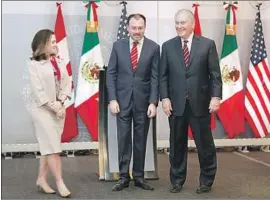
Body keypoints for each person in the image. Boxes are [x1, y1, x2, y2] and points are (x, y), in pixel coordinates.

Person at [159, 9, 222, 194]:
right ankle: (177, 180)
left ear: (192, 24)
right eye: (177, 23)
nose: (179, 26)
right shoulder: (168, 46)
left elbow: (215, 75)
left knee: (205, 145)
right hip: (175, 105)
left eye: (183, 22)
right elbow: (163, 76)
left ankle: (207, 181)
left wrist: (216, 97)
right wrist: (164, 98)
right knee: (176, 144)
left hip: (200, 103)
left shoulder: (207, 45)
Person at [106, 13, 160, 191]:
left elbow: (155, 78)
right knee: (123, 139)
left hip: (143, 103)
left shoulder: (153, 48)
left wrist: (153, 102)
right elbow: (111, 74)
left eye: (140, 28)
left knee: (140, 140)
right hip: (121, 102)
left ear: (145, 27)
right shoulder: (118, 46)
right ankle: (123, 177)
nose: (137, 31)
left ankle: (138, 176)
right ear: (128, 28)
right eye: (134, 28)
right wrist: (112, 99)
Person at [28, 29, 71, 198]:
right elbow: (38, 90)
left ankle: (41, 179)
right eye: (52, 42)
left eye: (56, 41)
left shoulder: (59, 62)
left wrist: (60, 103)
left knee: (48, 146)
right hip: (41, 110)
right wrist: (53, 106)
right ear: (43, 44)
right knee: (54, 149)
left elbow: (67, 83)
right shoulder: (33, 64)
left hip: (58, 109)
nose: (55, 44)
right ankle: (60, 182)